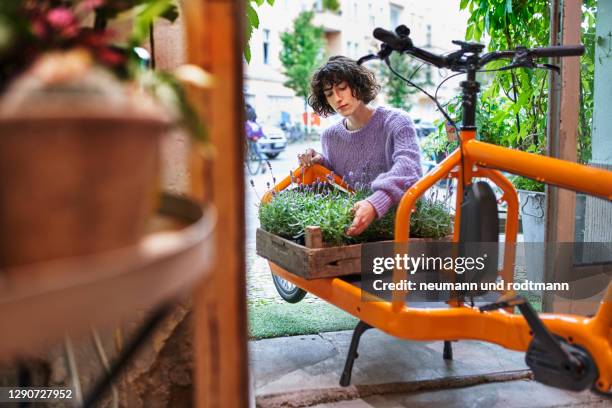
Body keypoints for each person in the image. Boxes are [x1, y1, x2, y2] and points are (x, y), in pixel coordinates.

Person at [298, 55, 422, 236]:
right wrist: (320, 162)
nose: (337, 98)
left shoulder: (397, 121)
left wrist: (375, 202)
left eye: (342, 88)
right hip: (356, 230)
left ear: (358, 84)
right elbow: (339, 182)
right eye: (329, 93)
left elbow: (409, 168)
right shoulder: (329, 136)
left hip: (404, 227)